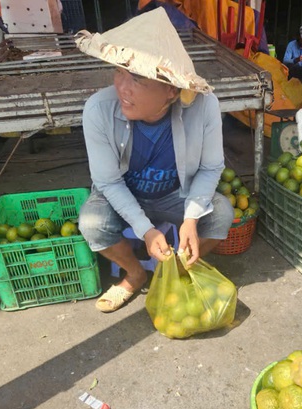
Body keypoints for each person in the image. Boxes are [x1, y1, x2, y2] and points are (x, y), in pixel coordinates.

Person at [75, 8, 234, 313]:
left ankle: (180, 269)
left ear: (171, 90)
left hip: (175, 194)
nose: (122, 87)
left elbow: (212, 166)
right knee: (92, 223)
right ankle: (134, 274)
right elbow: (107, 181)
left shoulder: (204, 106)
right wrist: (146, 230)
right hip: (120, 194)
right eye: (118, 72)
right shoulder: (98, 110)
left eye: (136, 79)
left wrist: (190, 218)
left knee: (221, 215)